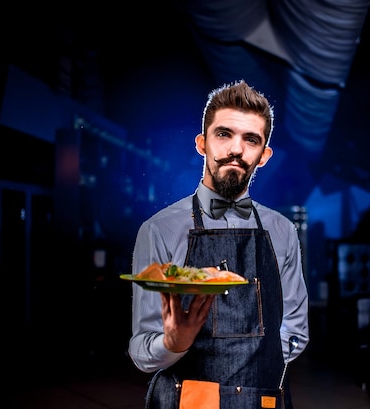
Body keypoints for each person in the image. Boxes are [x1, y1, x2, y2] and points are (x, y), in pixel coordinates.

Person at [128, 79, 309, 409]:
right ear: (202, 143)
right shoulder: (159, 229)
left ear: (264, 155)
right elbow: (142, 349)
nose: (236, 149)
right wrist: (173, 343)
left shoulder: (282, 231)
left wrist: (254, 376)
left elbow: (295, 332)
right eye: (224, 134)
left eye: (251, 139)